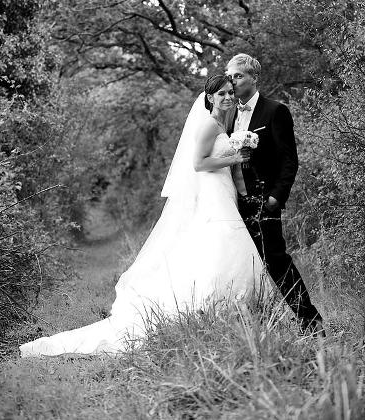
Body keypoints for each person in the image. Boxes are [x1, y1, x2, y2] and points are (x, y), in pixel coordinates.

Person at [20, 75, 267, 357]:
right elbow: (198, 164)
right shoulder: (210, 124)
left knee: (220, 245)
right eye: (221, 94)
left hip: (223, 190)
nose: (227, 97)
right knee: (223, 241)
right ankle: (213, 307)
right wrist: (235, 157)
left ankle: (233, 311)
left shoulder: (224, 124)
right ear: (210, 98)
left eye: (230, 93)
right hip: (212, 193)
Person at [225, 53, 324, 335]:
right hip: (232, 204)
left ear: (254, 78)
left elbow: (289, 161)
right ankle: (250, 329)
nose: (233, 81)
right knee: (237, 263)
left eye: (238, 76)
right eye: (230, 76)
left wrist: (275, 198)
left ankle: (311, 323)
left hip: (263, 202)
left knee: (276, 262)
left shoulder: (275, 111)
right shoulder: (227, 113)